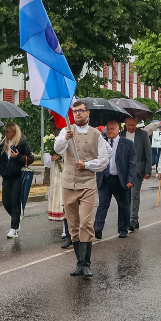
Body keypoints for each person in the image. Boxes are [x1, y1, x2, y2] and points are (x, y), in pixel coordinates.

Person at [54, 100, 111, 278]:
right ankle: (79, 262)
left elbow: (105, 157)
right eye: (75, 111)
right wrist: (66, 138)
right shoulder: (66, 130)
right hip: (69, 183)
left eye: (80, 111)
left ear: (88, 113)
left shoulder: (96, 134)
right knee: (73, 223)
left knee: (85, 222)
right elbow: (57, 148)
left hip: (87, 183)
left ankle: (86, 264)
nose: (77, 113)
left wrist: (87, 164)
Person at [93, 120, 137, 239]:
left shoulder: (127, 143)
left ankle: (123, 229)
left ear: (118, 130)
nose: (110, 131)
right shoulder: (101, 142)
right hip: (105, 179)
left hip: (120, 179)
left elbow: (132, 163)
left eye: (112, 129)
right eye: (108, 129)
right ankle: (97, 229)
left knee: (123, 205)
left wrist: (131, 179)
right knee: (102, 205)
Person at [0, 123, 34, 239]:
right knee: (6, 202)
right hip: (7, 177)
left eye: (8, 132)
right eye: (5, 132)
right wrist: (2, 171)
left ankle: (14, 228)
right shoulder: (3, 145)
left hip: (18, 176)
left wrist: (19, 157)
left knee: (15, 201)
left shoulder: (21, 144)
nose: (5, 134)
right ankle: (16, 217)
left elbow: (30, 158)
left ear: (14, 132)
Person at [122, 117, 152, 233]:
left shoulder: (143, 134)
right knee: (126, 195)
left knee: (134, 195)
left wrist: (148, 170)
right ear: (125, 124)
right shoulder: (121, 135)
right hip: (124, 170)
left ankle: (132, 221)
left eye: (133, 125)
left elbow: (148, 153)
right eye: (129, 125)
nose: (131, 127)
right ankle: (134, 219)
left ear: (136, 124)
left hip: (138, 170)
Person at [43, 147, 71, 248]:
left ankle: (66, 230)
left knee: (65, 199)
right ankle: (65, 229)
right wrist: (52, 158)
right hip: (57, 173)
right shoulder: (54, 143)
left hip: (67, 171)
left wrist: (63, 157)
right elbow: (47, 161)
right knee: (60, 200)